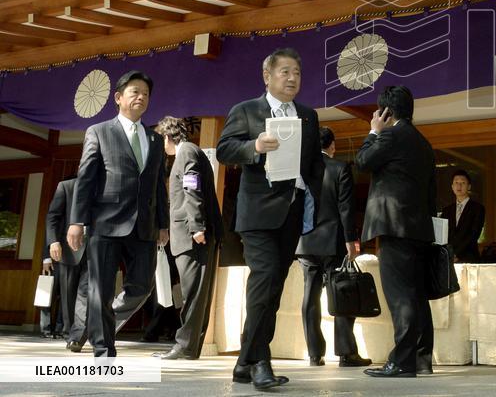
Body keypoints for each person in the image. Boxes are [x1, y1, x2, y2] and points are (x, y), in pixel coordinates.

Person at [217, 48, 324, 390]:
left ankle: (243, 362)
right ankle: (260, 361)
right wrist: (255, 147)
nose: (292, 79)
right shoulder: (246, 110)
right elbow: (224, 149)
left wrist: (317, 205)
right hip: (258, 214)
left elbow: (315, 167)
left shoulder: (309, 115)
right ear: (268, 76)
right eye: (285, 72)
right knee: (263, 283)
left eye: (297, 73)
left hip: (292, 213)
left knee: (273, 290)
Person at [67, 70, 169, 358]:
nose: (141, 97)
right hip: (105, 224)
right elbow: (86, 178)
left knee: (142, 286)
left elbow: (158, 185)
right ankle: (103, 348)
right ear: (118, 97)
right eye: (134, 91)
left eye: (145, 93)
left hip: (145, 226)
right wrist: (77, 221)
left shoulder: (155, 138)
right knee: (100, 288)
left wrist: (163, 223)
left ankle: (101, 318)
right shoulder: (99, 131)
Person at [356, 85, 437, 378]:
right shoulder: (424, 144)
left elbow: (362, 161)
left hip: (393, 225)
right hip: (420, 229)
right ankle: (422, 359)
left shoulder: (390, 135)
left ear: (386, 112)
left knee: (401, 296)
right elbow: (432, 194)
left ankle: (402, 362)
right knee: (416, 295)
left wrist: (374, 130)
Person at [295, 126, 371, 368]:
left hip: (305, 242)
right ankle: (346, 353)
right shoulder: (340, 168)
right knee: (341, 294)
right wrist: (351, 241)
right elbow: (346, 209)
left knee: (310, 296)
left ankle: (314, 353)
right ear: (332, 146)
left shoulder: (302, 171)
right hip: (332, 242)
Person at [153, 116, 223, 360]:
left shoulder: (186, 152)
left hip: (193, 234)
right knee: (194, 291)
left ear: (166, 136)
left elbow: (191, 188)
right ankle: (190, 347)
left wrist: (196, 226)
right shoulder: (188, 152)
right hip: (190, 233)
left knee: (193, 291)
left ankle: (185, 345)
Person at [46, 177, 89, 352]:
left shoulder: (106, 186)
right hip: (68, 249)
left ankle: (77, 336)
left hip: (96, 249)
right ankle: (70, 332)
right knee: (68, 295)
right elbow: (52, 216)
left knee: (87, 294)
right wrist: (53, 241)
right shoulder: (66, 186)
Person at [440, 169, 485, 263]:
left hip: (469, 258)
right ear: (452, 186)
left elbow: (474, 235)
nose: (459, 186)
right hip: (449, 258)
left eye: (463, 183)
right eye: (456, 182)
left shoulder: (478, 208)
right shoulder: (446, 210)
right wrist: (449, 254)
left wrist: (456, 254)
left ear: (469, 186)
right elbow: (443, 235)